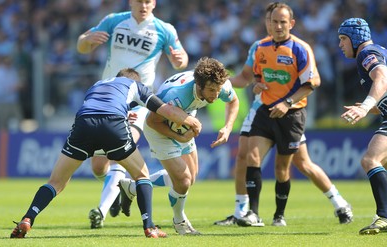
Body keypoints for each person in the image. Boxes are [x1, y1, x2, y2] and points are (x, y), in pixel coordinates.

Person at [9, 68, 201, 239]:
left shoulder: (97, 84)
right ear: (136, 81)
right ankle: (149, 227)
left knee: (56, 182)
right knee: (141, 175)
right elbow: (164, 109)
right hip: (112, 122)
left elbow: (97, 108)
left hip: (83, 123)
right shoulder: (135, 86)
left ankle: (28, 218)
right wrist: (189, 121)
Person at [214, 2, 353, 227]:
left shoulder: (300, 48)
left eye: (282, 22)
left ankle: (339, 202)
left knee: (301, 164)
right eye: (273, 21)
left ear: (291, 23)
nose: (277, 26)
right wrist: (223, 81)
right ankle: (250, 213)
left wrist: (288, 103)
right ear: (267, 23)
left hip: (291, 114)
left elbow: (313, 81)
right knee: (249, 155)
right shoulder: (259, 47)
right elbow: (248, 77)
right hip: (265, 110)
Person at [76, 0, 189, 228]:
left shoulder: (164, 29)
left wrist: (180, 61)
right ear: (131, 2)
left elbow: (182, 58)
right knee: (99, 166)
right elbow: (81, 45)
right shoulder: (113, 21)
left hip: (138, 101)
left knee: (120, 151)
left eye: (148, 1)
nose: (143, 5)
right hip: (110, 99)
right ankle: (118, 188)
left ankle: (101, 210)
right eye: (139, 1)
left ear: (154, 3)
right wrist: (87, 41)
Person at [119, 57, 239, 235]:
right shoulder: (176, 96)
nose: (216, 95)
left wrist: (228, 128)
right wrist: (179, 137)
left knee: (190, 179)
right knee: (182, 182)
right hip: (159, 129)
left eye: (218, 90)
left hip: (183, 122)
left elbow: (233, 101)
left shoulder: (218, 84)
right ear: (198, 85)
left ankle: (132, 187)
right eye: (212, 90)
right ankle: (179, 221)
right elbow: (152, 121)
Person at [338, 17, 387, 235]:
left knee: (371, 160)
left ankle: (384, 217)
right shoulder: (377, 50)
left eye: (342, 39)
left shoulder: (367, 54)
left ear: (355, 38)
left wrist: (366, 107)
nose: (340, 45)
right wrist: (372, 107)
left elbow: (382, 79)